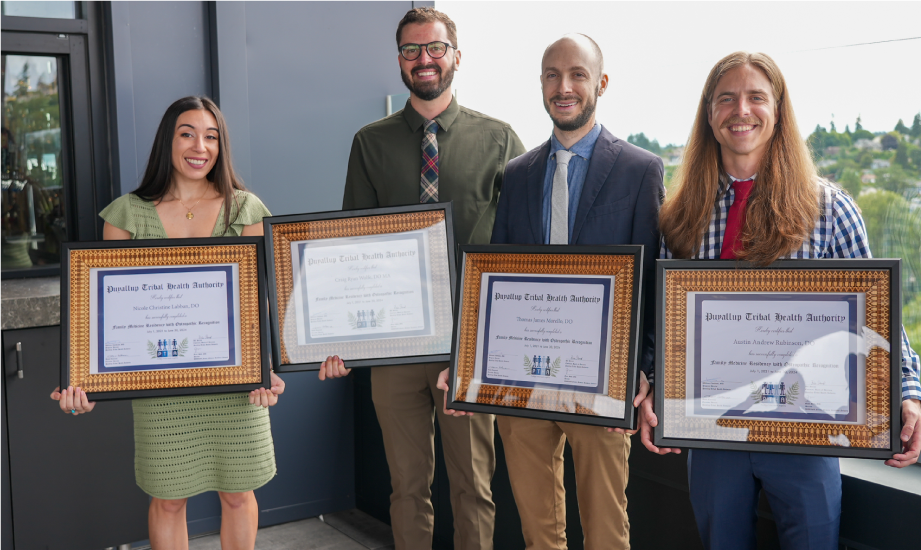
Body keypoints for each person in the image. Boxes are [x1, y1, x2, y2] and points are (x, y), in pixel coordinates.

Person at [639, 51, 921, 550]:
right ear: (710, 114)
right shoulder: (682, 214)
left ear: (778, 109)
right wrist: (656, 391)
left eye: (756, 97)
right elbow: (670, 327)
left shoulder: (829, 208)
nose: (741, 110)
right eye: (726, 99)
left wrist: (906, 389)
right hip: (712, 430)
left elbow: (879, 311)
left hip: (807, 429)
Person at [440, 34, 663, 549]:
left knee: (607, 530)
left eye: (577, 75)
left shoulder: (640, 170)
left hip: (604, 386)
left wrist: (643, 372)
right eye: (551, 75)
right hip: (523, 383)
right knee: (539, 531)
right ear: (541, 84)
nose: (563, 87)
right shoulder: (517, 174)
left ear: (600, 83)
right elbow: (498, 279)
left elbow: (651, 284)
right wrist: (470, 360)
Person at [318, 7, 525, 550]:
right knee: (407, 488)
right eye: (411, 50)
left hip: (468, 346)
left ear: (457, 55)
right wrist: (338, 334)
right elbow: (350, 248)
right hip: (395, 345)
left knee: (474, 486)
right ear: (399, 61)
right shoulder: (370, 142)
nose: (424, 59)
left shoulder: (500, 140)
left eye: (434, 48)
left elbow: (520, 253)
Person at [50, 96, 286, 550]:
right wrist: (85, 381)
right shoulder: (127, 214)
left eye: (211, 136)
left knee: (239, 495)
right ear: (168, 141)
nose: (200, 146)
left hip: (234, 384)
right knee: (169, 499)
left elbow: (261, 303)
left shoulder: (247, 210)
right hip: (162, 384)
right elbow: (104, 312)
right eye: (187, 133)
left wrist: (264, 369)